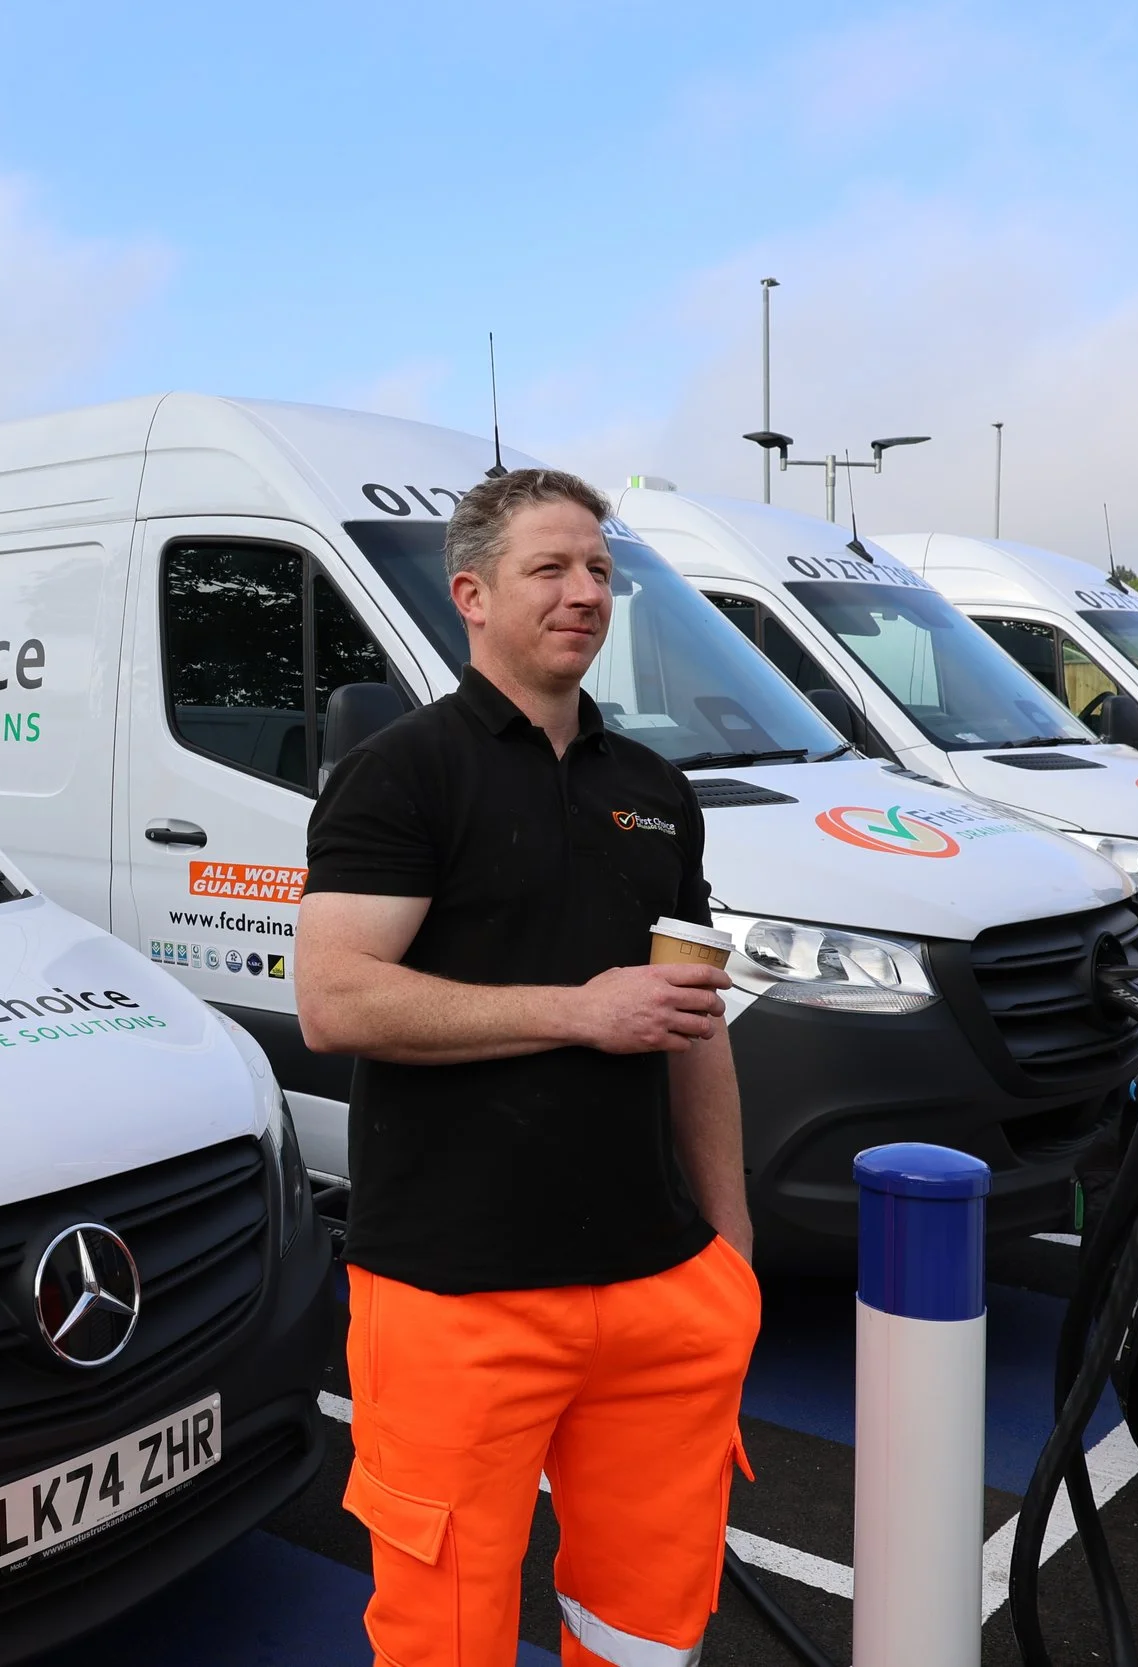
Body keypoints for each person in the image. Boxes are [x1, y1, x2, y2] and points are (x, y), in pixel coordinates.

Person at [297, 467, 760, 1667]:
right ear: (471, 595)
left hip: (659, 1288)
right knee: (445, 1633)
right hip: (457, 1295)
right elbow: (334, 997)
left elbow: (691, 1018)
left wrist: (730, 1247)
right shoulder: (403, 770)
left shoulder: (652, 790)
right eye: (549, 567)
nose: (585, 592)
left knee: (646, 1628)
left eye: (600, 569)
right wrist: (578, 1012)